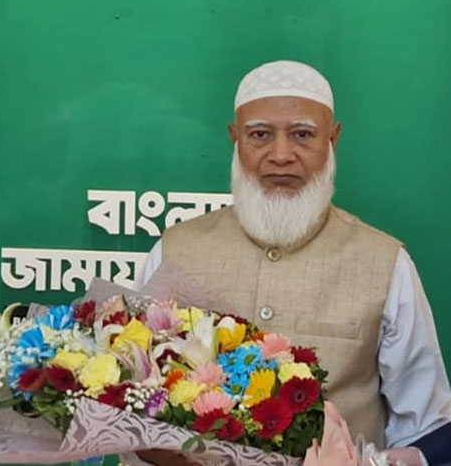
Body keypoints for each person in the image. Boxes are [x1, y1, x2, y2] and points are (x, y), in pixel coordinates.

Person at [132, 60, 451, 466]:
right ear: (234, 139)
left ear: (333, 139)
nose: (281, 155)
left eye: (303, 134)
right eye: (259, 135)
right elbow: (133, 400)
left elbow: (425, 425)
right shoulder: (175, 249)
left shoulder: (385, 263)